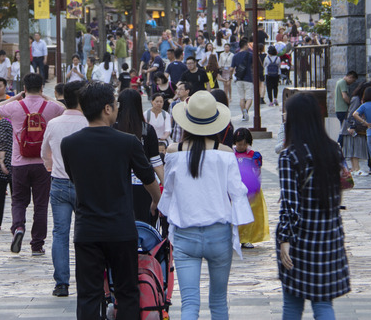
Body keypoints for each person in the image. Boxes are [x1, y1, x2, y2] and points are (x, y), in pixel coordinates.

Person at [61, 81, 161, 320]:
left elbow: (74, 178)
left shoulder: (69, 144)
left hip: (87, 230)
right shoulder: (127, 142)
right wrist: (156, 200)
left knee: (88, 295)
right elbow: (149, 178)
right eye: (115, 104)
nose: (116, 109)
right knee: (127, 291)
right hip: (121, 229)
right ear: (107, 108)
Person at [158, 90, 253, 319]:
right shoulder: (226, 153)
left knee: (189, 304)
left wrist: (160, 208)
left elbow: (168, 191)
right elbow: (238, 192)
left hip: (185, 234)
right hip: (219, 234)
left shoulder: (174, 152)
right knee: (219, 303)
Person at [277, 92, 351, 319]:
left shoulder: (290, 156)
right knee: (323, 304)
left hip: (301, 239)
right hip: (329, 236)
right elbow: (339, 192)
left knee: (292, 305)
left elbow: (290, 205)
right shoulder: (333, 150)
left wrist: (285, 240)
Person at [0, 73, 65, 256]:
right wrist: (46, 97)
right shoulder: (49, 107)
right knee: (41, 205)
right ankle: (37, 245)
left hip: (19, 162)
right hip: (43, 163)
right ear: (42, 88)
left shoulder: (16, 107)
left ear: (24, 88)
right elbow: (64, 108)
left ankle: (18, 227)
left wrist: (17, 97)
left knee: (18, 200)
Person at [41, 80, 87, 297]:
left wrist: (52, 165)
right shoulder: (89, 123)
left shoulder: (54, 123)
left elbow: (45, 152)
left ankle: (62, 283)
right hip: (85, 184)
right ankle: (87, 278)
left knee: (60, 233)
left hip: (59, 182)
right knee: (86, 233)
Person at [115, 89, 165, 226]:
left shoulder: (113, 128)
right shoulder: (147, 129)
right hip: (145, 185)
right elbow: (156, 162)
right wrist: (165, 186)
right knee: (145, 226)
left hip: (118, 185)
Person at [234, 128, 269, 249]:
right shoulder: (231, 155)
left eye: (244, 144)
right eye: (239, 144)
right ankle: (235, 237)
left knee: (250, 213)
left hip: (251, 190)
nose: (242, 146)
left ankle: (246, 238)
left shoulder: (254, 156)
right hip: (236, 188)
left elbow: (257, 171)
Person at [342, 81, 371, 177]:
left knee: (353, 148)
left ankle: (355, 168)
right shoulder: (357, 99)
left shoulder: (359, 99)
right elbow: (352, 113)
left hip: (353, 127)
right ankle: (356, 169)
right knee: (354, 148)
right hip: (353, 128)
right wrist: (352, 126)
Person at [231, 39, 254, 121]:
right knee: (249, 97)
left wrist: (231, 76)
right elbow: (254, 66)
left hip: (239, 78)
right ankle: (246, 110)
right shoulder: (250, 55)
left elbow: (231, 68)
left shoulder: (235, 56)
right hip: (248, 78)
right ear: (245, 46)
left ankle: (243, 115)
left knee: (241, 97)